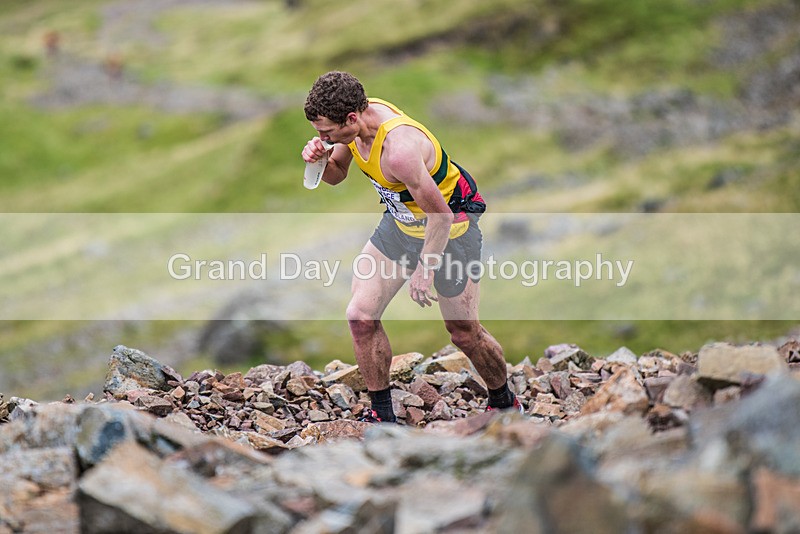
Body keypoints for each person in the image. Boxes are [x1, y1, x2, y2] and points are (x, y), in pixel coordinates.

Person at [302, 71, 520, 422]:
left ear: (352, 118)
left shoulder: (399, 150)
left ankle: (504, 402)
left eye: (326, 132)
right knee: (360, 317)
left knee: (464, 334)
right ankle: (383, 418)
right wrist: (319, 159)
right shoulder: (355, 126)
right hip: (402, 225)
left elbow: (442, 217)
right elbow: (337, 173)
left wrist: (424, 270)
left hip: (452, 228)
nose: (322, 137)